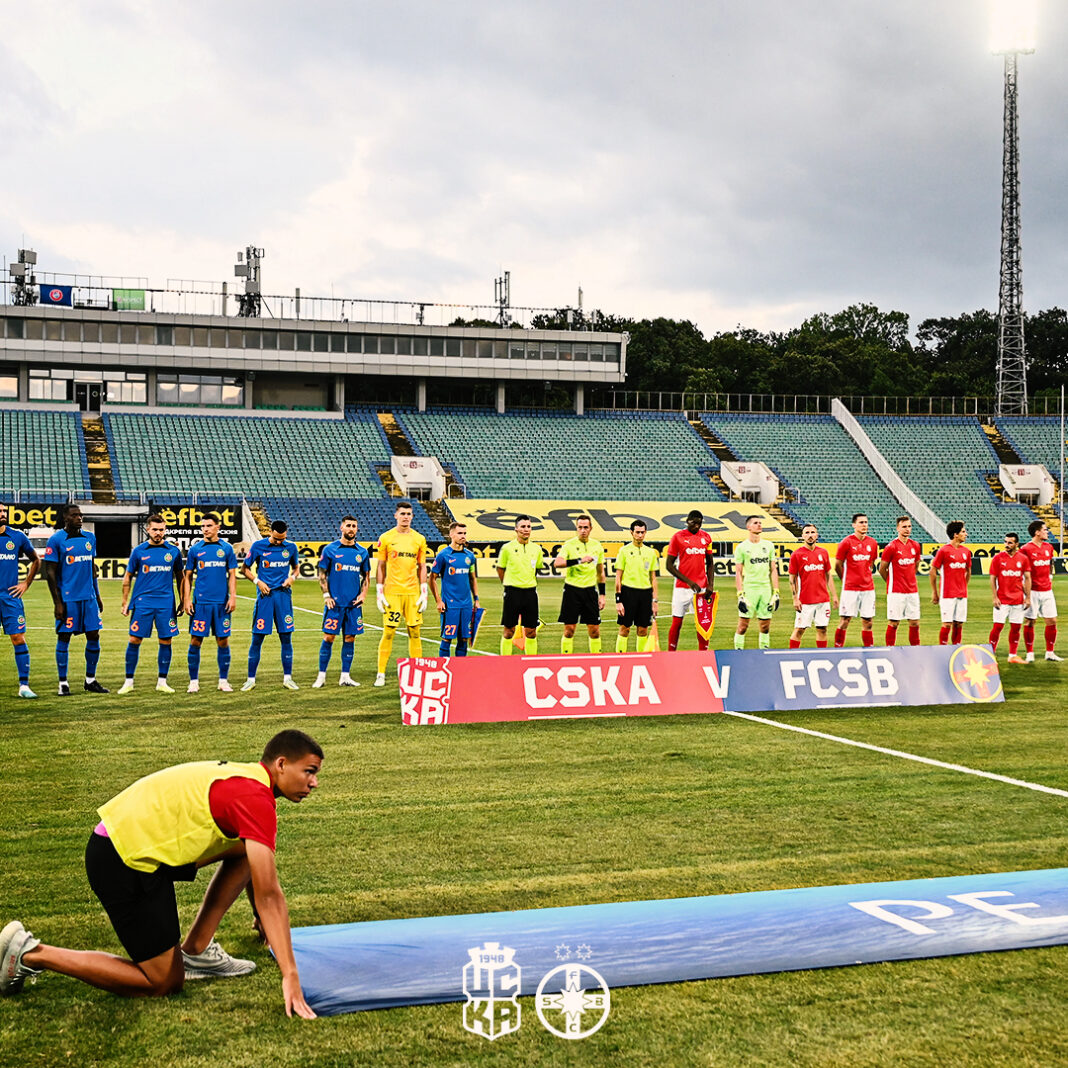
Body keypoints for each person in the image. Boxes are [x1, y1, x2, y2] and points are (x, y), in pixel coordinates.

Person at [0, 729, 322, 1020]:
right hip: (122, 858)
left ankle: (196, 949)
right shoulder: (255, 798)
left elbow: (255, 864)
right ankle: (31, 952)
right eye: (309, 772)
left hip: (138, 847)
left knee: (244, 849)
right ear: (281, 764)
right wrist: (290, 974)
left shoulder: (249, 778)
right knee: (162, 982)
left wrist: (260, 916)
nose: (314, 783)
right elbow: (270, 894)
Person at [42, 504, 109, 696]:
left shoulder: (90, 538)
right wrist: (57, 603)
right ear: (65, 518)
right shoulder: (56, 540)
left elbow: (92, 569)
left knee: (94, 636)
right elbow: (51, 572)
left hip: (88, 598)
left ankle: (90, 680)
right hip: (68, 599)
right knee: (64, 637)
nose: (79, 518)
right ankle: (63, 683)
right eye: (74, 515)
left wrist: (97, 596)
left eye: (80, 515)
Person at [118, 516, 185, 695]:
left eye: (161, 530)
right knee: (134, 639)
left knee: (166, 640)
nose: (158, 533)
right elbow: (128, 577)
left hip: (166, 603)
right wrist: (125, 602)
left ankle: (162, 682)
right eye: (155, 530)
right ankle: (128, 682)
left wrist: (183, 600)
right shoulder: (139, 551)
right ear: (148, 529)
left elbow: (181, 577)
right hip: (143, 603)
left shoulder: (174, 551)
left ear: (165, 530)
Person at [181, 512, 239, 693]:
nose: (205, 529)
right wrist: (187, 599)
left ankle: (223, 681)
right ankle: (193, 681)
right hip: (201, 603)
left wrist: (233, 596)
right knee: (196, 640)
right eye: (203, 526)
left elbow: (232, 575)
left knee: (223, 640)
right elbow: (187, 577)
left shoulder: (227, 548)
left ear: (217, 527)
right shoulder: (195, 549)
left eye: (209, 526)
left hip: (221, 604)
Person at [374, 501, 429, 687]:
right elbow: (380, 566)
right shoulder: (386, 538)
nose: (406, 516)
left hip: (413, 593)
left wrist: (424, 591)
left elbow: (422, 566)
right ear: (396, 515)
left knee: (415, 631)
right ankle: (380, 673)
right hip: (393, 592)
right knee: (389, 632)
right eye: (403, 513)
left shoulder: (419, 539)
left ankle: (417, 672)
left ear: (412, 516)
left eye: (409, 514)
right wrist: (379, 592)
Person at [241, 520, 299, 691]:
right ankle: (250, 679)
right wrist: (257, 581)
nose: (279, 542)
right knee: (257, 638)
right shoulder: (258, 546)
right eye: (276, 539)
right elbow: (245, 568)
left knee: (286, 638)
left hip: (283, 597)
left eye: (282, 539)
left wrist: (292, 578)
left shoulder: (291, 548)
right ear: (271, 532)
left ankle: (288, 679)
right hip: (265, 598)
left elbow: (296, 568)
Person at [314, 515, 370, 687]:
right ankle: (321, 676)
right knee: (329, 637)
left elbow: (366, 576)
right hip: (335, 604)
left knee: (350, 638)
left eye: (354, 526)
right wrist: (326, 596)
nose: (351, 528)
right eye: (348, 525)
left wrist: (363, 594)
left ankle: (345, 676)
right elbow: (322, 574)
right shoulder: (330, 550)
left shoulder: (362, 552)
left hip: (353, 605)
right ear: (341, 528)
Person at [0, 503, 40, 698]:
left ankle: (24, 686)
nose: (2, 514)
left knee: (18, 638)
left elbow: (36, 560)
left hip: (10, 597)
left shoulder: (16, 536)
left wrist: (25, 584)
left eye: (4, 511)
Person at [553, 514, 606, 654]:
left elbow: (600, 573)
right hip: (572, 591)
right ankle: (566, 660)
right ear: (576, 528)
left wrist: (602, 595)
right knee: (569, 630)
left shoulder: (597, 546)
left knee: (594, 630)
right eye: (580, 527)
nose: (583, 530)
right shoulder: (569, 545)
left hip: (590, 591)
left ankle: (597, 661)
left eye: (586, 527)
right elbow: (557, 563)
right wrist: (578, 560)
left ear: (591, 528)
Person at [664, 510, 715, 651]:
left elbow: (710, 563)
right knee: (677, 622)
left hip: (702, 589)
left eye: (699, 523)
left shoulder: (706, 538)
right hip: (682, 588)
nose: (697, 526)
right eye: (694, 523)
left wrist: (710, 585)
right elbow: (669, 565)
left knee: (703, 623)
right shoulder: (678, 537)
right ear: (687, 521)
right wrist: (689, 582)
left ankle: (703, 654)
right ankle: (671, 653)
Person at [496, 515, 546, 656]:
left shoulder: (536, 549)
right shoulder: (507, 548)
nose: (526, 529)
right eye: (523, 526)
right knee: (509, 630)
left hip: (530, 593)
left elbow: (536, 568)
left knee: (531, 631)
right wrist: (508, 584)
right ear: (516, 529)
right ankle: (505, 663)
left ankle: (531, 662)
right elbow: (501, 569)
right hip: (512, 593)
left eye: (528, 526)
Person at [428, 522, 479, 657]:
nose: (463, 536)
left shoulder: (470, 556)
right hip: (450, 605)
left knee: (463, 639)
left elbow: (472, 578)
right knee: (447, 638)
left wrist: (476, 599)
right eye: (460, 533)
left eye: (465, 533)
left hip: (466, 605)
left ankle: (459, 670)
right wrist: (439, 601)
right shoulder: (443, 555)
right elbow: (432, 578)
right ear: (451, 534)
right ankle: (444, 669)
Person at [733, 515, 780, 649]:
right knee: (743, 625)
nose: (759, 525)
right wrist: (740, 594)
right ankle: (738, 652)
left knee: (765, 626)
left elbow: (773, 569)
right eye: (755, 523)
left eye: (760, 523)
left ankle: (763, 653)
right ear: (748, 527)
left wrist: (776, 591)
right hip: (749, 589)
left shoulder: (769, 546)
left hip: (765, 589)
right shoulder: (742, 547)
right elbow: (738, 572)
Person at [788, 523, 836, 648]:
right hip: (805, 600)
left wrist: (834, 596)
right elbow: (792, 579)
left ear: (817, 535)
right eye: (807, 533)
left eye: (812, 532)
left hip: (823, 599)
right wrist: (795, 598)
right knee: (799, 630)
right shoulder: (797, 555)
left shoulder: (823, 553)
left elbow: (828, 575)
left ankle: (822, 655)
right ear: (802, 536)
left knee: (822, 629)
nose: (810, 535)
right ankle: (792, 657)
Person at [834, 513, 878, 648]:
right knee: (845, 620)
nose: (864, 525)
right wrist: (845, 580)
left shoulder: (872, 543)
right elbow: (837, 565)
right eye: (861, 523)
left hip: (868, 588)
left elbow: (871, 563)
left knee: (868, 621)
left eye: (866, 522)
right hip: (850, 588)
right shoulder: (846, 542)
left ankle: (869, 649)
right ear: (854, 525)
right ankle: (838, 648)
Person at [1019, 520, 1062, 662]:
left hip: (1047, 590)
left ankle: (1050, 652)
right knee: (1030, 621)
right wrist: (1025, 592)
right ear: (1037, 532)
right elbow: (1021, 571)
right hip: (1033, 591)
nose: (1047, 531)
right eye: (1045, 529)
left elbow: (1050, 563)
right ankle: (1029, 653)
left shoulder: (1048, 547)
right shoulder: (1025, 549)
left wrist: (1050, 576)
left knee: (1052, 621)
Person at [614, 520, 659, 652]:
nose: (640, 535)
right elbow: (618, 576)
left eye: (642, 532)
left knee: (643, 629)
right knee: (624, 628)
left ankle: (641, 660)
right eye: (637, 532)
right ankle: (620, 659)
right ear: (631, 533)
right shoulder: (624, 551)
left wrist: (655, 601)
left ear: (645, 533)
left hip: (645, 594)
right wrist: (618, 600)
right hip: (628, 593)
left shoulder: (650, 552)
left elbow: (653, 579)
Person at [878, 515, 922, 647]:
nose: (907, 529)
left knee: (914, 622)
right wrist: (892, 582)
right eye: (904, 527)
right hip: (896, 591)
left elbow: (916, 563)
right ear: (898, 528)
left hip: (912, 591)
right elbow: (882, 569)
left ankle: (916, 651)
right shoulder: (891, 547)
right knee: (894, 623)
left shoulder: (915, 545)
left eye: (909, 526)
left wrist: (909, 578)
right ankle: (890, 649)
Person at [989, 532, 1031, 663]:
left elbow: (1028, 578)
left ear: (1016, 544)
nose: (1006, 545)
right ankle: (991, 653)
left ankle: (1012, 655)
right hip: (1002, 600)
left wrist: (1028, 597)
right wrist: (995, 597)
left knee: (1016, 627)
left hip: (1018, 599)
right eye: (1005, 542)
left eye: (1010, 543)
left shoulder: (1023, 559)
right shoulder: (998, 558)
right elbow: (993, 578)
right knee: (998, 626)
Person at [930, 521, 972, 645]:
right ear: (955, 534)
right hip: (947, 593)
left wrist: (964, 586)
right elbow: (933, 571)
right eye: (963, 532)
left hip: (961, 594)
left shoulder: (966, 552)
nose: (966, 534)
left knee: (959, 623)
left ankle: (956, 648)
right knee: (947, 624)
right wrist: (934, 592)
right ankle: (943, 649)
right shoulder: (944, 551)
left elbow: (968, 571)